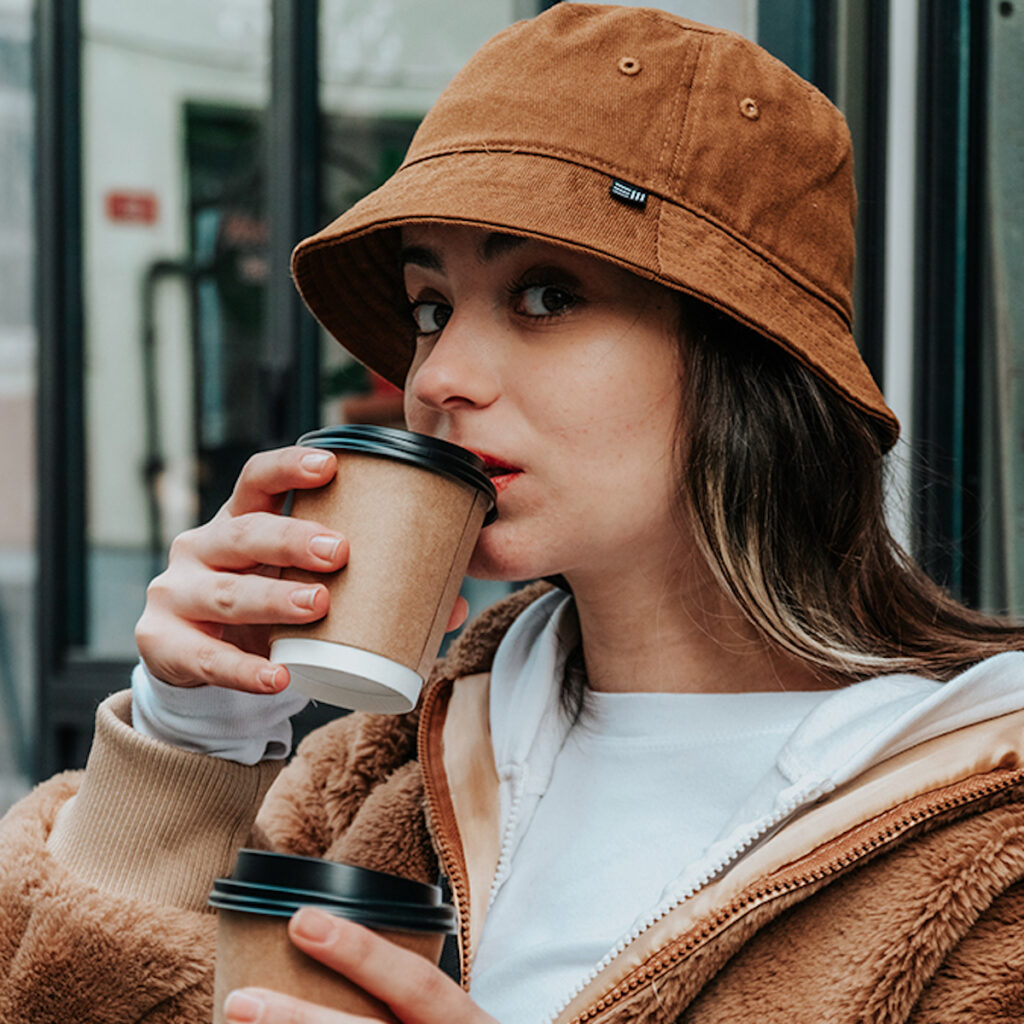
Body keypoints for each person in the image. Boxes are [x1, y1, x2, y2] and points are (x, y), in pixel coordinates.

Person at [4, 5, 1024, 1022]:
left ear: (742, 361)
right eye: (429, 306)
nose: (438, 373)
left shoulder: (982, 833)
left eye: (544, 296)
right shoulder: (386, 764)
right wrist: (190, 741)